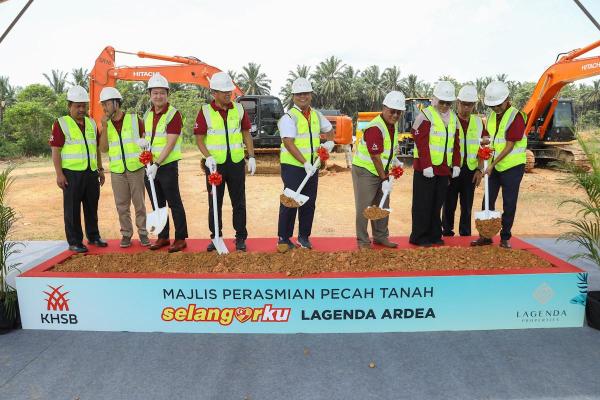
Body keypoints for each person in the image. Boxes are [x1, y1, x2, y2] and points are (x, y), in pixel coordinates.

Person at [194, 71, 256, 252]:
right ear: (214, 92)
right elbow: (199, 139)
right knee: (215, 202)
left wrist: (251, 156)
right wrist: (208, 157)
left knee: (239, 202)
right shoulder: (205, 112)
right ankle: (216, 237)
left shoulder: (239, 109)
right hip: (215, 166)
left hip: (236, 163)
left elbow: (246, 134)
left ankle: (240, 238)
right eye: (224, 91)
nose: (229, 94)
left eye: (230, 90)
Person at [277, 77, 334, 250]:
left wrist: (329, 142)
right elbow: (288, 143)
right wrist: (304, 162)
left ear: (311, 95)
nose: (303, 97)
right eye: (299, 94)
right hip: (293, 167)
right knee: (291, 201)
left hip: (312, 167)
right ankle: (284, 238)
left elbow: (329, 130)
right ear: (293, 96)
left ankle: (303, 237)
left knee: (309, 202)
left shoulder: (316, 115)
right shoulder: (289, 117)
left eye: (306, 93)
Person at [49, 85, 107, 253]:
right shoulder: (61, 123)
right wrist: (59, 174)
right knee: (72, 209)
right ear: (70, 106)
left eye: (84, 106)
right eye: (77, 106)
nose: (81, 109)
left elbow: (96, 148)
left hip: (91, 173)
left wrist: (100, 169)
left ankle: (94, 236)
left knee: (91, 207)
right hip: (71, 174)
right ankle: (75, 241)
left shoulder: (91, 123)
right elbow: (56, 150)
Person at [471, 81, 527, 249]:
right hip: (494, 166)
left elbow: (510, 145)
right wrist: (485, 142)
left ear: (507, 99)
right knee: (487, 200)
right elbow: (493, 138)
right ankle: (485, 236)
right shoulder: (491, 116)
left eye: (498, 105)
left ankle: (505, 237)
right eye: (492, 105)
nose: (495, 108)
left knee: (509, 203)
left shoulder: (516, 116)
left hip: (512, 167)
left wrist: (492, 164)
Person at [409, 81, 461, 247]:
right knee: (423, 204)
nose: (445, 106)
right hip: (426, 168)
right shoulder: (425, 115)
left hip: (443, 169)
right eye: (442, 102)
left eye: (448, 103)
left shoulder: (453, 118)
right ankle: (419, 236)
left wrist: (456, 164)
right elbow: (420, 141)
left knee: (437, 203)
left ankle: (434, 235)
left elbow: (456, 143)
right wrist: (426, 165)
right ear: (435, 100)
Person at [351, 91, 406, 249]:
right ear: (384, 108)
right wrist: (384, 179)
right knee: (365, 207)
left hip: (382, 171)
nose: (395, 115)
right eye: (392, 111)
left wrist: (395, 161)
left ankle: (381, 237)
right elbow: (375, 156)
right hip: (365, 171)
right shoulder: (375, 127)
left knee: (382, 205)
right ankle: (363, 241)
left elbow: (387, 150)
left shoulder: (392, 126)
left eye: (398, 112)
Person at [98, 87, 150, 248]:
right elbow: (103, 149)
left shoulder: (135, 120)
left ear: (116, 103)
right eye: (103, 104)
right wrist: (104, 127)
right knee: (121, 205)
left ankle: (143, 233)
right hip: (117, 171)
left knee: (139, 203)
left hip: (136, 168)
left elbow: (146, 140)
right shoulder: (105, 125)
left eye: (107, 104)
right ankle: (126, 234)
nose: (104, 108)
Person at [143, 73, 188, 253]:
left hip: (166, 166)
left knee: (173, 202)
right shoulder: (147, 114)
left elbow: (170, 142)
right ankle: (163, 236)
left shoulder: (173, 114)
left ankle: (180, 238)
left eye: (162, 93)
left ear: (167, 94)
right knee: (157, 203)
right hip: (150, 167)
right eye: (155, 93)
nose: (158, 96)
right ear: (150, 95)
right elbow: (146, 138)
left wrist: (157, 164)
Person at [442, 84, 487, 237]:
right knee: (449, 204)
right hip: (452, 170)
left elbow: (484, 147)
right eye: (464, 104)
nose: (466, 108)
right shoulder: (449, 120)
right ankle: (447, 233)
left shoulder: (479, 122)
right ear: (458, 102)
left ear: (474, 105)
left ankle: (465, 235)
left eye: (470, 104)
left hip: (471, 171)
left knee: (467, 206)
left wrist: (480, 169)